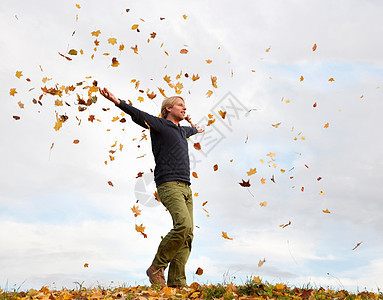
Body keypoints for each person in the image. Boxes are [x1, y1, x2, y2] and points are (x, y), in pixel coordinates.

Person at [99, 87, 204, 288]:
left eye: (185, 105)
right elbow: (139, 115)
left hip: (186, 187)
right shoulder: (161, 125)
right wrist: (117, 101)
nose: (184, 107)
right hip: (169, 184)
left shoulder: (182, 131)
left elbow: (192, 130)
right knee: (182, 225)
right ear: (168, 108)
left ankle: (177, 282)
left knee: (188, 233)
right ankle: (157, 266)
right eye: (180, 105)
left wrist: (195, 128)